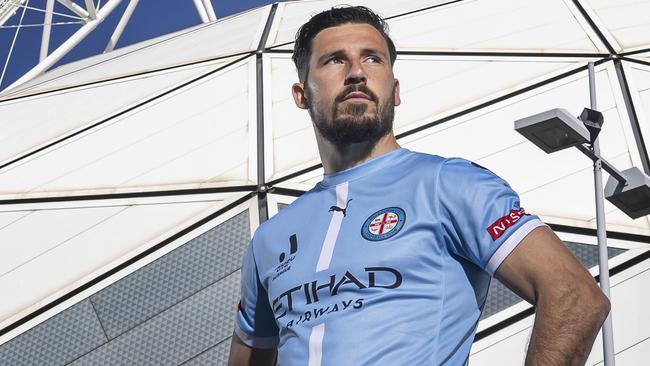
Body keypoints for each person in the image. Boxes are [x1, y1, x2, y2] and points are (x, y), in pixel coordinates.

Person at [228, 6, 610, 366]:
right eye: (335, 60)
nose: (357, 72)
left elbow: (575, 296)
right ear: (302, 95)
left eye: (372, 58)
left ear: (395, 89)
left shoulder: (449, 184)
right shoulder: (270, 238)